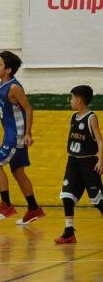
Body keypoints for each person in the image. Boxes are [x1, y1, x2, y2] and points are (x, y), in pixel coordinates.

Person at [0, 51, 45, 224]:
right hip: (12, 134)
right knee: (18, 172)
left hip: (16, 136)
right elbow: (9, 104)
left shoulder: (14, 87)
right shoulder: (5, 86)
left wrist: (28, 133)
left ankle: (6, 205)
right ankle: (34, 208)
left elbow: (28, 108)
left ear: (8, 70)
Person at [55, 85, 103, 244]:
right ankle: (69, 232)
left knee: (98, 201)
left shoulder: (91, 118)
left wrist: (101, 160)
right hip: (73, 162)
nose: (70, 100)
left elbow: (100, 141)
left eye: (72, 97)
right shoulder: (73, 117)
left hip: (89, 163)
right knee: (67, 195)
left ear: (79, 100)